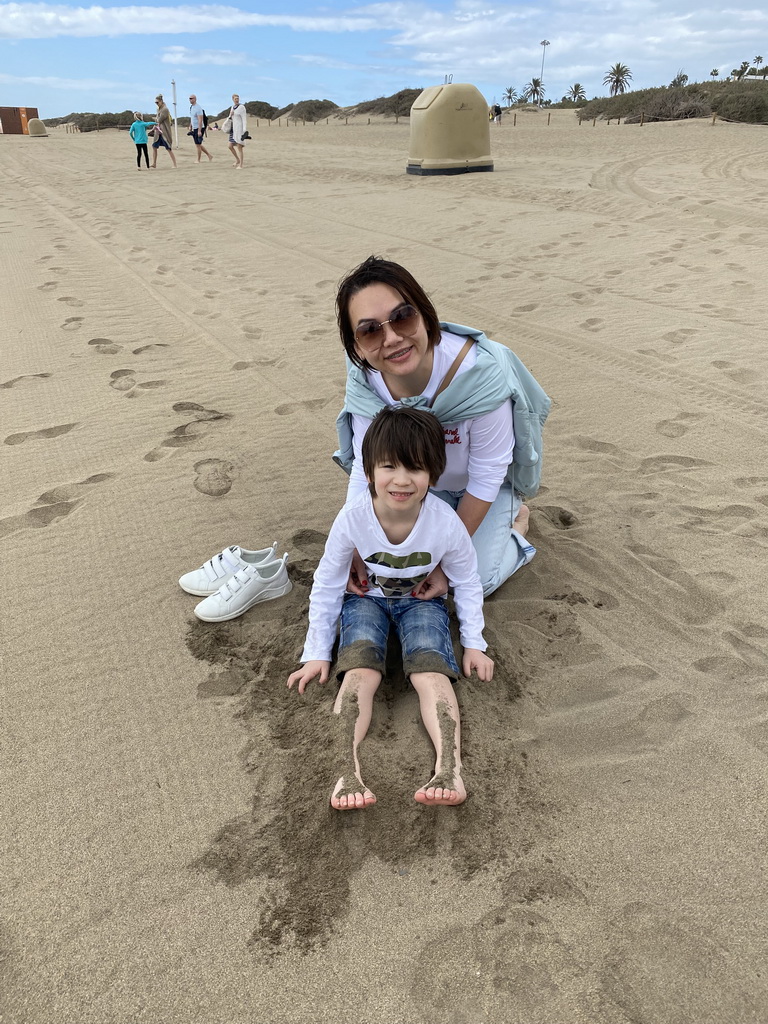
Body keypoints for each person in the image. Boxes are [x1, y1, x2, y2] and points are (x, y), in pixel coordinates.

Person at [287, 406, 494, 810]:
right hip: (365, 599)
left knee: (431, 673)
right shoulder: (352, 519)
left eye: (416, 469)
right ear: (368, 472)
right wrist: (316, 652)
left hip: (421, 604)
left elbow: (467, 581)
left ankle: (449, 769)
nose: (401, 480)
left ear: (433, 475)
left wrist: (474, 644)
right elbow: (328, 582)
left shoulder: (446, 522)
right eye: (388, 467)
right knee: (359, 671)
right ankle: (347, 773)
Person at [334, 255, 550, 599]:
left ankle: (516, 528)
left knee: (469, 581)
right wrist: (354, 546)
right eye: (370, 329)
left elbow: (486, 475)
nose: (391, 339)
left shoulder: (479, 375)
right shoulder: (365, 380)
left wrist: (444, 558)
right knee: (381, 574)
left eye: (402, 317)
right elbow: (366, 469)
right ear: (356, 345)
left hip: (482, 492)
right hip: (417, 487)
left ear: (424, 313)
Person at [151, 94, 177, 169]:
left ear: (161, 101)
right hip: (158, 132)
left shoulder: (165, 109)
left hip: (164, 132)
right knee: (154, 146)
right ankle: (154, 163)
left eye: (157, 102)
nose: (156, 104)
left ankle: (175, 164)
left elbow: (159, 120)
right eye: (155, 103)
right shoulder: (158, 109)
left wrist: (154, 119)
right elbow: (158, 121)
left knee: (168, 148)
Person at [188, 93, 212, 163]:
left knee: (198, 144)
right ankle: (209, 155)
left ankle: (198, 159)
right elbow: (192, 117)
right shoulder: (191, 107)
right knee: (198, 144)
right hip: (194, 127)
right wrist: (190, 125)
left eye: (191, 98)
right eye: (189, 98)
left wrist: (199, 131)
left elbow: (200, 120)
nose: (190, 100)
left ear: (195, 99)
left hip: (199, 128)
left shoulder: (198, 108)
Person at [227, 93, 247, 169]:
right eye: (235, 98)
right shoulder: (232, 107)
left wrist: (244, 129)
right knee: (230, 146)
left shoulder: (242, 107)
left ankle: (241, 165)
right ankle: (237, 159)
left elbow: (244, 119)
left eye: (238, 98)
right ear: (232, 99)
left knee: (239, 147)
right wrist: (231, 115)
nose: (237, 100)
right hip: (233, 129)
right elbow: (230, 118)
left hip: (240, 129)